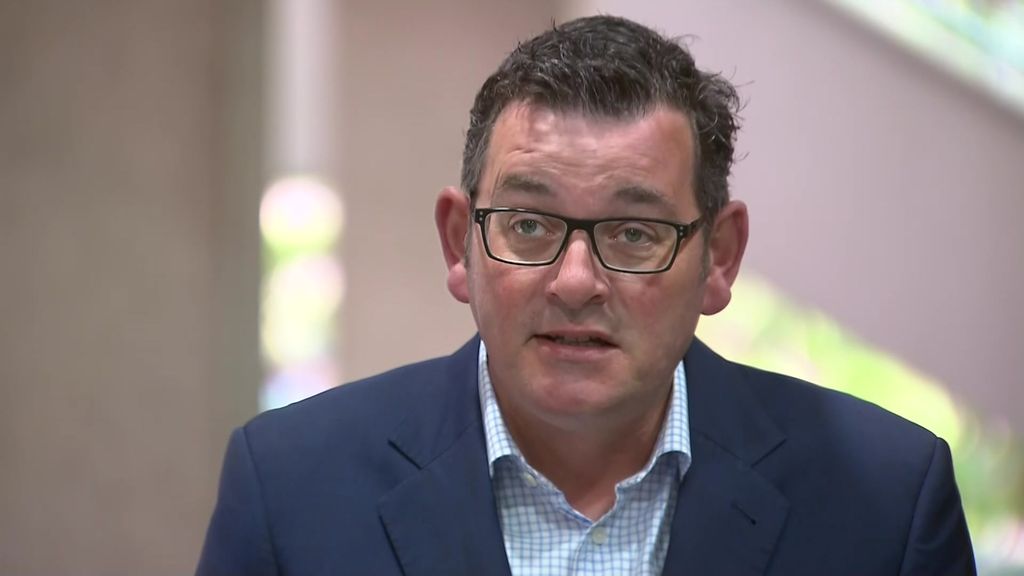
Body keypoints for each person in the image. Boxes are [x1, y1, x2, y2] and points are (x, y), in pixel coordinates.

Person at [197, 15, 975, 575]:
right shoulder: (291, 487)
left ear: (719, 258)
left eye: (635, 234)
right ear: (459, 243)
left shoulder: (886, 501)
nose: (575, 282)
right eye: (530, 225)